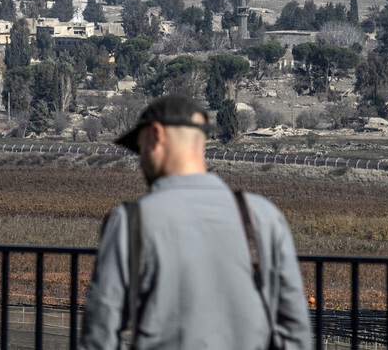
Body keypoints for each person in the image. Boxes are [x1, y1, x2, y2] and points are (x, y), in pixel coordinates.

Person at [79, 95, 311, 350]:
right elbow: (295, 331)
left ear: (156, 135)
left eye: (140, 147)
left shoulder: (131, 222)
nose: (140, 160)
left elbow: (99, 335)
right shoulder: (263, 217)